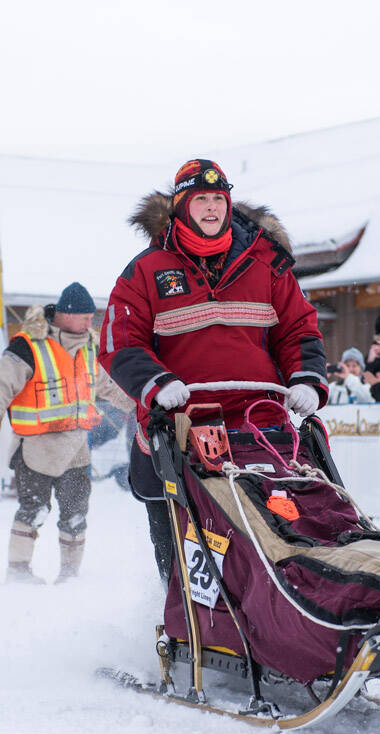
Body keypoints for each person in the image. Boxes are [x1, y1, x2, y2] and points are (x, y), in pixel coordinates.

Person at [98, 158, 328, 583]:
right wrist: (157, 384)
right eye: (200, 199)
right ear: (181, 206)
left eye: (218, 199)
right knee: (188, 542)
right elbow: (119, 341)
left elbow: (299, 327)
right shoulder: (147, 270)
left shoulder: (267, 263)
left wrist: (307, 378)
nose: (211, 207)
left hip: (261, 425)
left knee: (290, 524)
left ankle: (303, 592)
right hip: (182, 425)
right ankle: (188, 614)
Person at [0, 283, 135, 583]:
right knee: (33, 511)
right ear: (64, 314)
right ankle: (18, 571)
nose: (90, 323)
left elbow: (109, 387)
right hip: (36, 448)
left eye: (92, 317)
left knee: (75, 516)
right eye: (85, 317)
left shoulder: (90, 348)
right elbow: (0, 387)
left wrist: (142, 403)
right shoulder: (29, 346)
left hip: (76, 450)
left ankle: (70, 575)